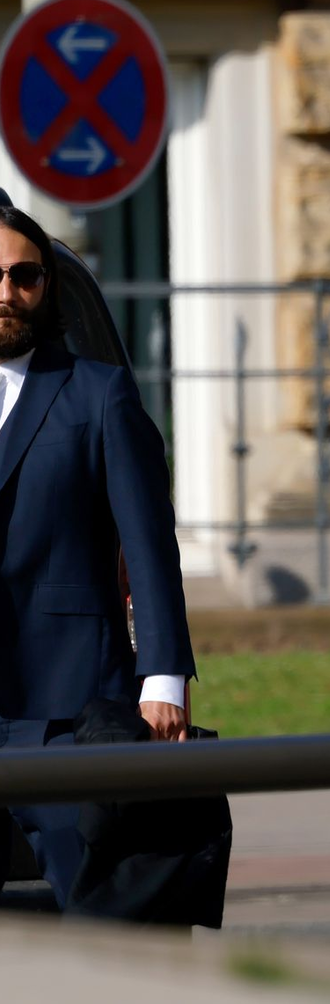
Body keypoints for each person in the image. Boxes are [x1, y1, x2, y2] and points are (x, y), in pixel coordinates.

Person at [0, 198, 195, 907]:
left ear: (46, 286)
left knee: (94, 915)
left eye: (24, 276)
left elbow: (148, 540)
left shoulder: (98, 392)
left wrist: (164, 677)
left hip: (67, 702)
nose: (7, 292)